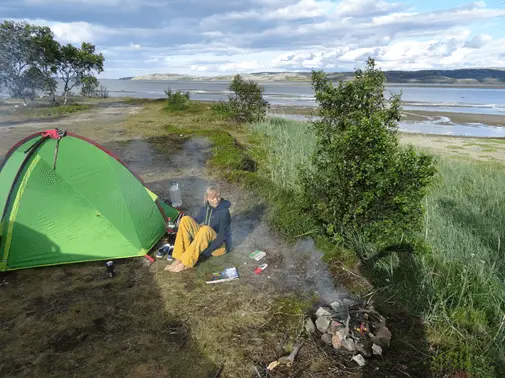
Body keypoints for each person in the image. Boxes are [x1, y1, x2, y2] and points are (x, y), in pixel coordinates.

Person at [165, 184, 231, 272]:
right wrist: (180, 228)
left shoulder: (224, 212)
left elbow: (222, 237)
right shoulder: (206, 208)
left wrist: (204, 254)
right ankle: (178, 259)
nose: (216, 200)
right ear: (206, 198)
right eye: (213, 198)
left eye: (218, 197)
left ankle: (186, 263)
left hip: (219, 245)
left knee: (205, 229)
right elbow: (195, 221)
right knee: (185, 219)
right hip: (205, 237)